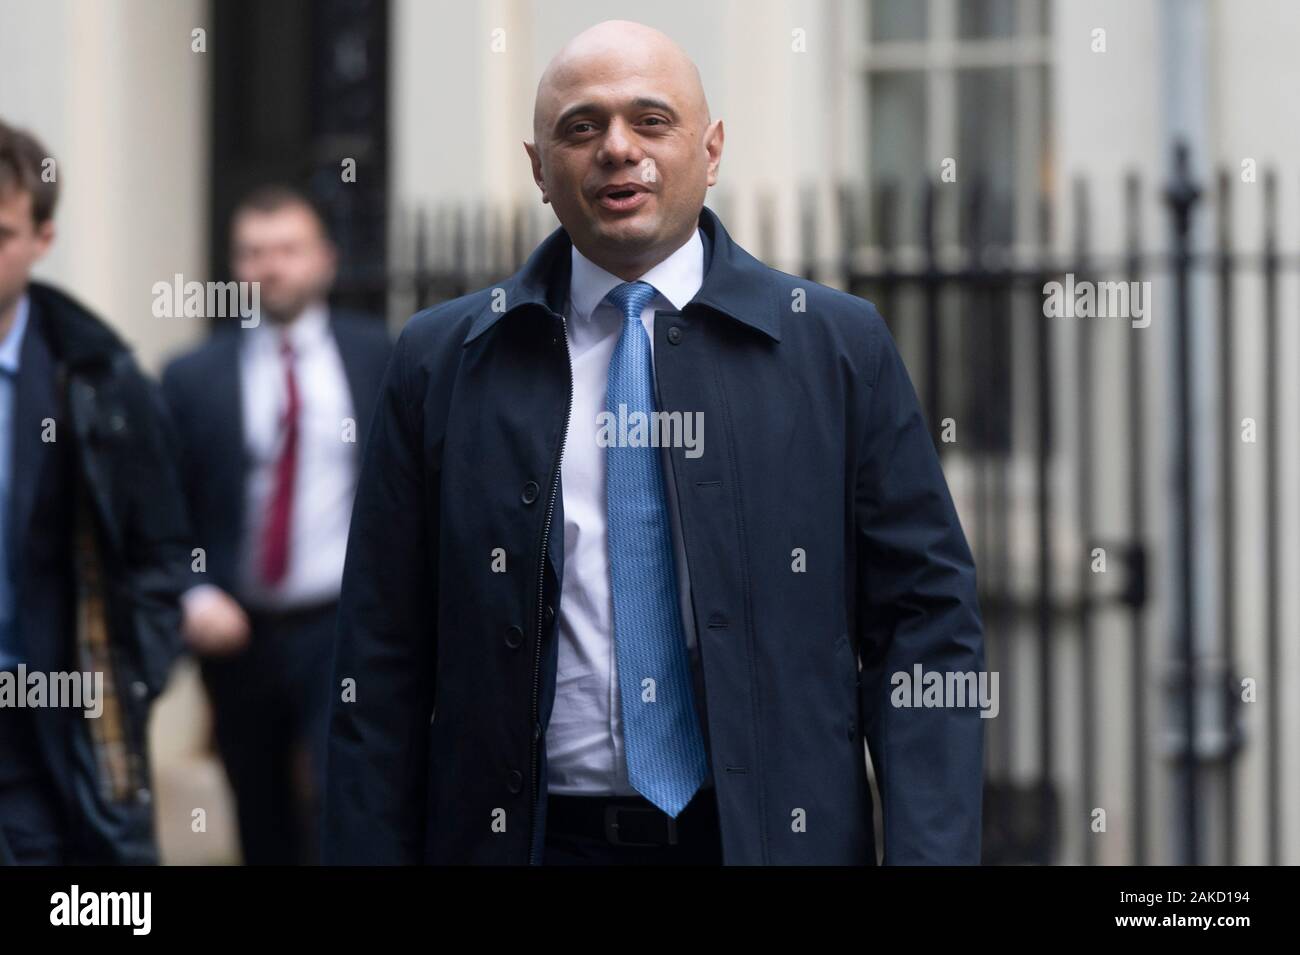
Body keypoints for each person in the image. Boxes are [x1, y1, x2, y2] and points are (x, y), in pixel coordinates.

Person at [324, 19, 985, 866]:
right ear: (538, 167)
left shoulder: (835, 346)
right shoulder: (442, 359)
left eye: (651, 120)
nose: (616, 149)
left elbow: (924, 623)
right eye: (581, 127)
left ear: (711, 152)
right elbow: (379, 658)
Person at [161, 186, 391, 865]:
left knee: (339, 796)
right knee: (259, 813)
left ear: (324, 259)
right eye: (254, 252)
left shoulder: (378, 356)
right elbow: (161, 508)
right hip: (238, 631)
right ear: (236, 266)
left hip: (341, 626)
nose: (271, 266)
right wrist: (193, 593)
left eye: (288, 249)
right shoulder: (192, 376)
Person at [0, 118, 190, 865]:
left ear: (43, 240)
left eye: (2, 231)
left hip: (49, 724)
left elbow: (161, 549)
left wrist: (126, 675)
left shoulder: (99, 382)